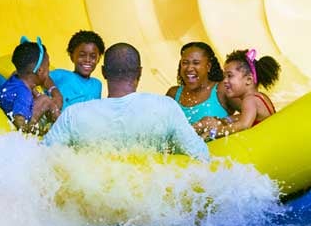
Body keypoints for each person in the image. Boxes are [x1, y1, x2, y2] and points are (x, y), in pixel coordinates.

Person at [43, 43, 210, 160]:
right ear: (140, 72)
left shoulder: (73, 115)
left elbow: (42, 160)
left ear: (104, 72)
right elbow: (201, 157)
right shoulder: (165, 107)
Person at [194, 48, 281, 139]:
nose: (224, 81)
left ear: (248, 80)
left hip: (263, 142)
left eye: (229, 76)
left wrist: (215, 132)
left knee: (207, 125)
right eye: (224, 77)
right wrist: (224, 120)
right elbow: (246, 116)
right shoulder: (260, 97)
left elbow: (244, 125)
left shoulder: (249, 100)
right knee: (207, 121)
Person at [0, 37, 61, 134]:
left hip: (12, 106)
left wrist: (35, 94)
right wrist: (40, 132)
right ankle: (62, 126)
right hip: (26, 123)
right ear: (40, 71)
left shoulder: (17, 77)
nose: (49, 70)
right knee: (45, 100)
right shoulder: (24, 93)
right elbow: (20, 122)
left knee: (40, 97)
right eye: (47, 66)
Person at [165, 41, 233, 124]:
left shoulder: (221, 90)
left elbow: (247, 115)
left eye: (196, 63)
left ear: (208, 66)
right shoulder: (173, 94)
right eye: (185, 63)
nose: (189, 68)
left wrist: (222, 121)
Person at [49, 30, 105, 108]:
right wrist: (54, 91)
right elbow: (41, 78)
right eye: (82, 55)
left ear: (98, 59)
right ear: (72, 56)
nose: (87, 60)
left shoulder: (97, 84)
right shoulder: (60, 74)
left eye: (93, 56)